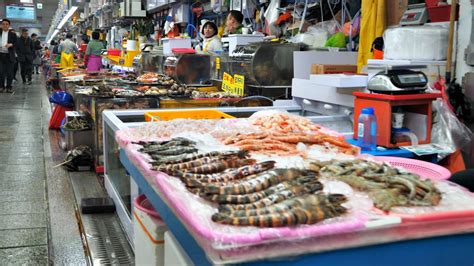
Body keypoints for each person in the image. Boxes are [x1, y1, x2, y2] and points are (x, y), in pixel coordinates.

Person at [0, 19, 17, 93]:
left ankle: (9, 87)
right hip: (0, 55)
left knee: (10, 72)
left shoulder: (13, 34)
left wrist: (11, 44)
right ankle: (1, 87)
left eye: (6, 24)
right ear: (1, 25)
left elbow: (16, 44)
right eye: (3, 24)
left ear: (9, 25)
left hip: (9, 55)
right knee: (1, 72)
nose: (5, 25)